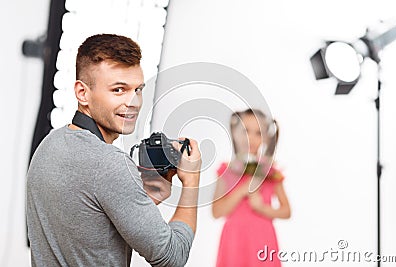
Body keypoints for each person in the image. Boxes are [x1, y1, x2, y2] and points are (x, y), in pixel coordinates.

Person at [26, 34, 201, 267]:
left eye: (138, 90)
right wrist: (192, 183)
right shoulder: (109, 162)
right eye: (119, 90)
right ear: (82, 93)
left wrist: (144, 200)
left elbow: (86, 226)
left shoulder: (49, 144)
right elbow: (172, 257)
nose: (133, 102)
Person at [212, 108, 290, 267]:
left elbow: (286, 211)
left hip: (263, 240)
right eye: (246, 131)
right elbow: (217, 211)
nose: (251, 139)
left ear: (266, 138)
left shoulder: (271, 174)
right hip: (234, 241)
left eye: (258, 133)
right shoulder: (226, 171)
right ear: (235, 133)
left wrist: (262, 208)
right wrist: (243, 190)